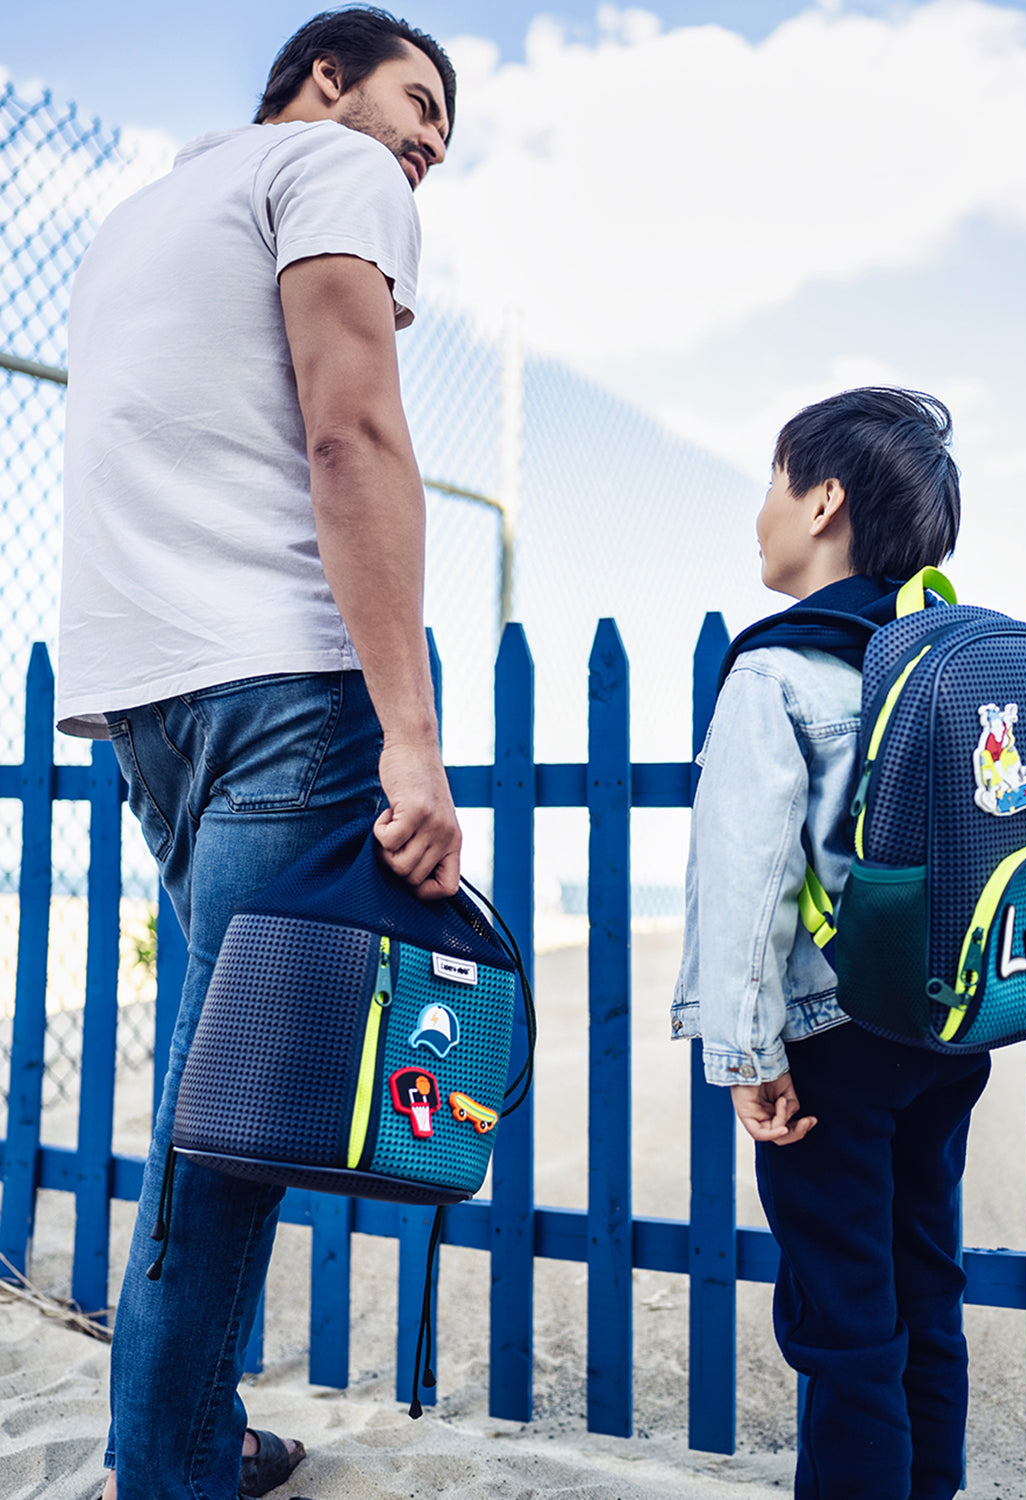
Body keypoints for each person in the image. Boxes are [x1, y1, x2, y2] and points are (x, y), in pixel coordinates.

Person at [55, 9, 461, 1497]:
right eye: (418, 105)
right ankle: (168, 1464)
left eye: (441, 138)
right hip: (287, 684)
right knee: (234, 1119)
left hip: (150, 700)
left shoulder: (142, 219)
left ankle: (199, 1431)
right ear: (326, 80)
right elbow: (351, 433)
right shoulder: (334, 168)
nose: (427, 148)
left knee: (211, 1084)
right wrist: (410, 737)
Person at [671, 387, 990, 1500]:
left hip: (830, 1049)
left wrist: (745, 1054)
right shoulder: (940, 668)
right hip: (945, 1030)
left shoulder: (777, 674)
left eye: (773, 483)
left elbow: (751, 885)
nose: (759, 511)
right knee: (925, 1288)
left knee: (846, 1317)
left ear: (823, 503)